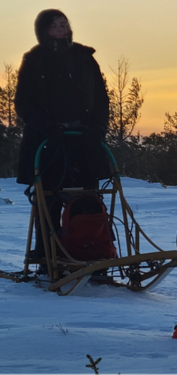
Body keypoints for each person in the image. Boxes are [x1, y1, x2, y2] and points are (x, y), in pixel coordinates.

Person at [14, 9, 110, 260]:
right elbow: (23, 103)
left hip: (84, 140)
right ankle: (48, 255)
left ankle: (92, 251)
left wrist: (98, 130)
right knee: (49, 200)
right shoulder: (34, 60)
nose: (62, 29)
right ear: (45, 31)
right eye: (55, 26)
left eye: (64, 24)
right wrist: (47, 128)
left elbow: (101, 99)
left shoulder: (84, 57)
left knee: (89, 198)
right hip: (48, 142)